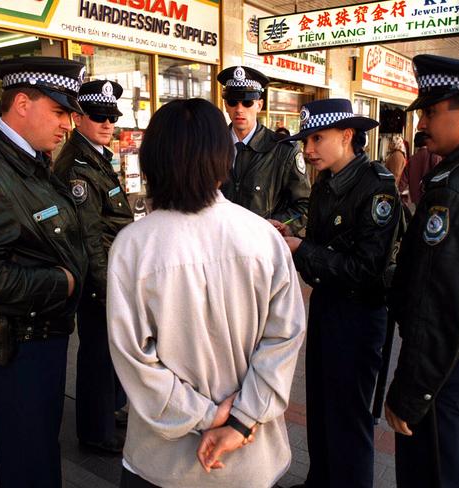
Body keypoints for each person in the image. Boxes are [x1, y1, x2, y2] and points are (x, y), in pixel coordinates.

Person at [106, 98, 306, 488]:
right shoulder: (263, 237)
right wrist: (239, 419)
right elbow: (285, 337)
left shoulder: (132, 246)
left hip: (162, 464)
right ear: (223, 159)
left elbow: (133, 357)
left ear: (152, 162)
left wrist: (204, 415)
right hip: (249, 458)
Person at [0, 56, 88, 488]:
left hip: (39, 336)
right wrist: (60, 283)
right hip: (18, 347)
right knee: (28, 459)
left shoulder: (29, 160)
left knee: (41, 447)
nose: (69, 125)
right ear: (22, 103)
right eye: (61, 112)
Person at [384, 54, 459, 488]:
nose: (423, 124)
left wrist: (410, 394)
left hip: (447, 368)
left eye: (433, 112)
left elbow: (440, 309)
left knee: (434, 474)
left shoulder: (458, 189)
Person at [273, 98, 401, 488]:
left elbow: (366, 269)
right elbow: (323, 246)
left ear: (347, 136)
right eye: (305, 140)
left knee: (350, 418)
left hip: (360, 317)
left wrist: (303, 250)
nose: (308, 149)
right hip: (328, 308)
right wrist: (293, 239)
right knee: (322, 408)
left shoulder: (377, 188)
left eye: (317, 138)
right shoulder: (327, 183)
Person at [53, 80, 131, 454]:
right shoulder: (78, 166)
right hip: (99, 279)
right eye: (99, 116)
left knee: (108, 354)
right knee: (98, 356)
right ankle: (95, 433)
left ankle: (108, 413)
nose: (107, 123)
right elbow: (89, 238)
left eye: (112, 116)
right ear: (79, 117)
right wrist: (104, 289)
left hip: (110, 274)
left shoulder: (96, 154)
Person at [217, 66, 311, 236]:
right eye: (233, 102)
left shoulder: (283, 150)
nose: (239, 109)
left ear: (259, 105)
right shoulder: (212, 146)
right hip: (218, 244)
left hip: (261, 247)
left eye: (247, 102)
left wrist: (275, 226)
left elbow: (304, 205)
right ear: (225, 105)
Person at [399, 131, 442, 208]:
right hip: (431, 197)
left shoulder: (412, 159)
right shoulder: (435, 156)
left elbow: (403, 181)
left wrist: (398, 192)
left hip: (415, 198)